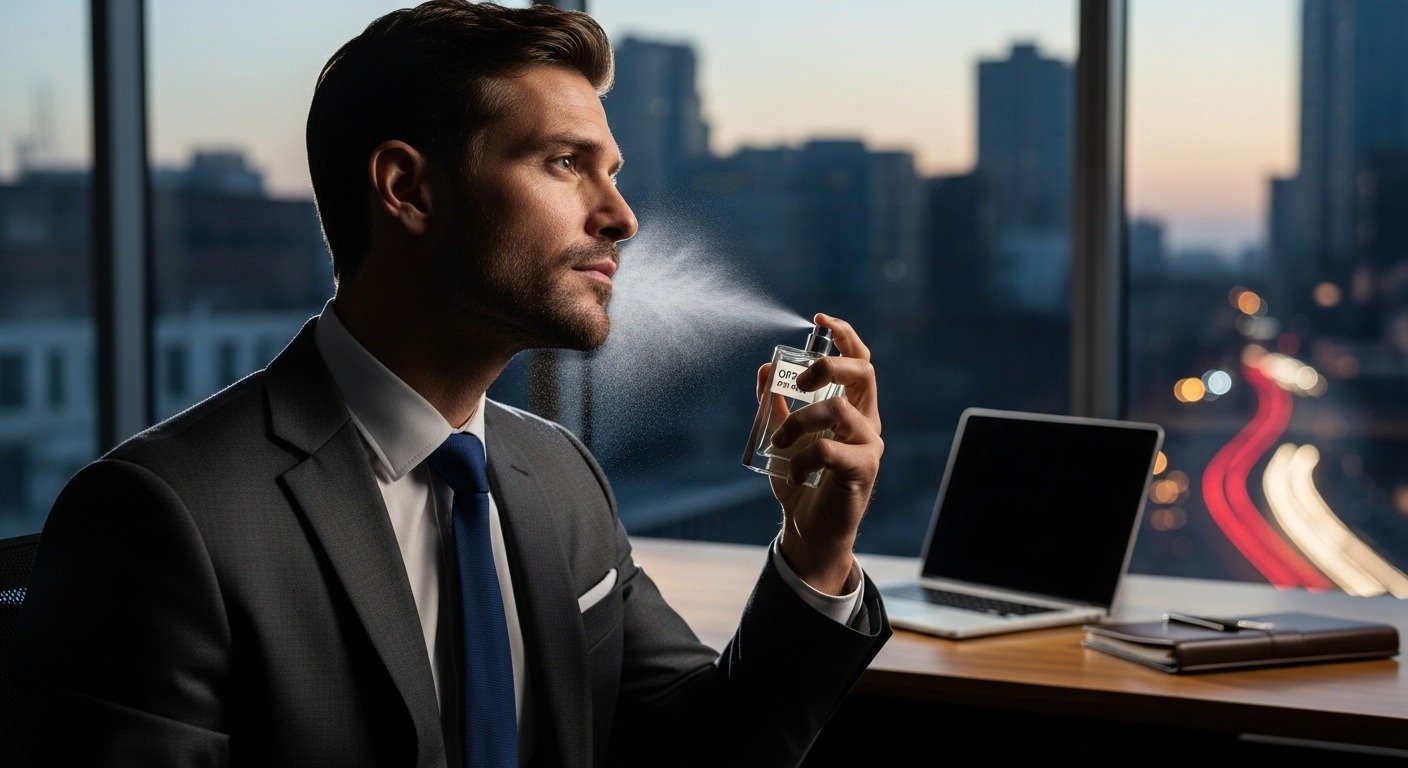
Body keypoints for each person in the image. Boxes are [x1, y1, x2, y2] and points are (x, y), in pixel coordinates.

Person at [11, 2, 891, 766]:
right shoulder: (158, 516)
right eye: (564, 163)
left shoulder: (562, 477)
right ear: (408, 190)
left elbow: (706, 749)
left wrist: (815, 552)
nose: (621, 218)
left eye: (612, 173)